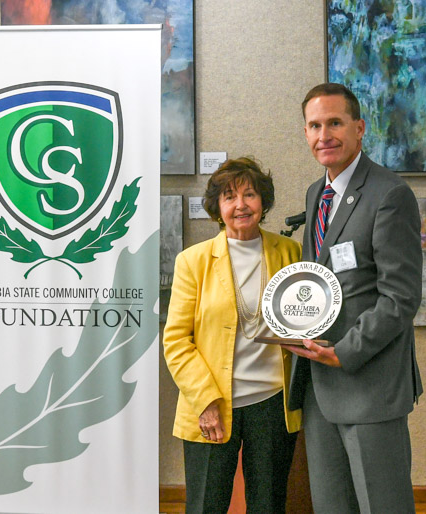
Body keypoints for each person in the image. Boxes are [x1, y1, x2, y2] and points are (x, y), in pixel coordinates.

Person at [284, 83, 423, 513]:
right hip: (318, 386)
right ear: (306, 134)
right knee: (331, 506)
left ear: (359, 128)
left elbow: (400, 297)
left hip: (369, 383)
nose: (324, 134)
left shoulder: (390, 194)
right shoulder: (315, 194)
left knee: (383, 506)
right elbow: (318, 282)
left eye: (335, 123)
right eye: (314, 125)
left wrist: (345, 352)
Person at [163, 157, 302, 513]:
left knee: (269, 504)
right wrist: (205, 400)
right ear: (217, 207)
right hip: (211, 402)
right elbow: (177, 341)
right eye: (229, 196)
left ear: (263, 202)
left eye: (250, 194)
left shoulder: (290, 252)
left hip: (272, 401)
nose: (240, 204)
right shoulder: (192, 261)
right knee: (206, 504)